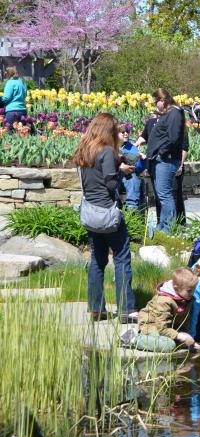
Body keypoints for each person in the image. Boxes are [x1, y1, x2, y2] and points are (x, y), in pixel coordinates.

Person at [74, 113, 138, 321]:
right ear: (108, 130)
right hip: (108, 213)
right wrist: (122, 172)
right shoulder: (107, 152)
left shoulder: (85, 151)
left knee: (97, 260)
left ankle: (96, 308)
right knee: (121, 259)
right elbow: (110, 184)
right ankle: (126, 310)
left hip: (91, 213)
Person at [144, 89, 186, 232]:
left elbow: (173, 138)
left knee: (165, 195)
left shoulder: (174, 113)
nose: (156, 105)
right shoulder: (168, 114)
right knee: (162, 195)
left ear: (163, 100)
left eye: (156, 102)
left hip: (166, 160)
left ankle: (168, 227)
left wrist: (161, 153)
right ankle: (162, 226)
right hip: (160, 160)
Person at [137, 267, 198, 349]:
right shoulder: (164, 301)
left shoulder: (187, 298)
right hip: (152, 325)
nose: (192, 293)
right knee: (169, 345)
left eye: (194, 290)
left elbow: (184, 321)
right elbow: (161, 329)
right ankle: (133, 339)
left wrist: (186, 335)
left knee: (184, 344)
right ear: (176, 288)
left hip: (169, 326)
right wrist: (179, 335)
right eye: (189, 290)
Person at [119, 125, 146, 210]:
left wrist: (142, 160)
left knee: (133, 178)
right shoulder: (110, 146)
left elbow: (138, 168)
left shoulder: (132, 147)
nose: (126, 134)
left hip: (128, 177)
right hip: (115, 176)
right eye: (123, 132)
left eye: (127, 131)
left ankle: (132, 208)